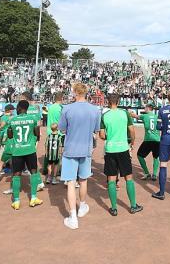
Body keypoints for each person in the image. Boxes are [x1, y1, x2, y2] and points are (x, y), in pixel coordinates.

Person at [58, 83, 101, 230]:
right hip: (86, 149)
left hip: (70, 149)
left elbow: (62, 129)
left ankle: (73, 216)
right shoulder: (95, 110)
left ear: (75, 92)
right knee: (83, 180)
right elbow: (96, 131)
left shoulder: (67, 108)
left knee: (71, 182)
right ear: (86, 93)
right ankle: (81, 207)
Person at [100, 94, 143, 216]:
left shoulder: (105, 116)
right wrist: (132, 142)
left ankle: (114, 208)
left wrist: (111, 137)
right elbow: (132, 130)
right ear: (118, 101)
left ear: (108, 102)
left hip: (110, 150)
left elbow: (102, 135)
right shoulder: (125, 113)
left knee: (111, 179)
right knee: (128, 177)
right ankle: (133, 206)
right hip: (123, 148)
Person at [7, 100, 43, 210]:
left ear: (19, 107)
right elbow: (37, 131)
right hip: (30, 149)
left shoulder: (12, 120)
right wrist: (36, 138)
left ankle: (16, 201)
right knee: (33, 172)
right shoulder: (32, 119)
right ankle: (33, 198)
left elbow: (9, 135)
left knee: (17, 174)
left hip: (17, 151)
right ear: (27, 108)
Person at [130, 103, 160, 181]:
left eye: (145, 107)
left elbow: (135, 116)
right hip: (157, 140)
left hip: (148, 140)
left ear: (148, 108)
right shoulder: (156, 117)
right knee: (156, 157)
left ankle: (147, 173)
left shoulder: (144, 116)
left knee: (140, 155)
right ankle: (154, 174)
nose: (144, 108)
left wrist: (129, 112)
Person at [0, 104, 14, 186]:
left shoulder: (3, 117)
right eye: (12, 109)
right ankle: (12, 175)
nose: (13, 111)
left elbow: (1, 126)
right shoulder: (10, 117)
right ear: (10, 110)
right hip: (10, 139)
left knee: (2, 157)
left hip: (4, 138)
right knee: (12, 158)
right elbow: (2, 125)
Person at [45, 93, 64, 185]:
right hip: (58, 132)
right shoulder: (61, 108)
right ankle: (56, 175)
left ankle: (48, 175)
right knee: (58, 155)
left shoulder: (51, 107)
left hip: (50, 131)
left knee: (49, 153)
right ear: (61, 99)